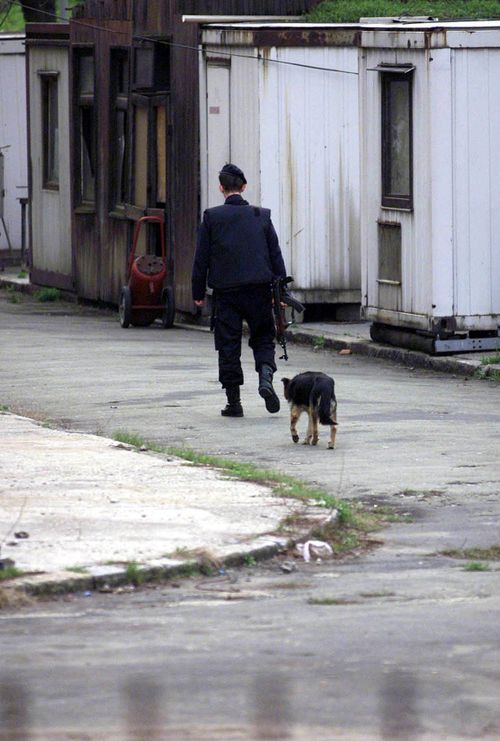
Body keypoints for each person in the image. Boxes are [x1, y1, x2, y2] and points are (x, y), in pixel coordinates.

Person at [192, 163, 287, 418]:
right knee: (263, 336)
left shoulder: (212, 217)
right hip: (259, 290)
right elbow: (275, 256)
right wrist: (281, 293)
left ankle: (234, 403)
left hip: (227, 293)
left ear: (221, 188)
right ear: (244, 187)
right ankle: (265, 377)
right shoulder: (262, 215)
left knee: (228, 344)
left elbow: (201, 259)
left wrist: (198, 293)